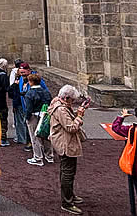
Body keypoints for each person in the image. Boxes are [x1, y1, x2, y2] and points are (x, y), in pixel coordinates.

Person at [48, 84, 87, 214]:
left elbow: (69, 118)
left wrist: (79, 111)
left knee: (68, 171)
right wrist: (80, 116)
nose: (73, 102)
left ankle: (69, 195)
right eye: (72, 100)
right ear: (66, 98)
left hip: (63, 142)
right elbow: (70, 127)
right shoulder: (61, 109)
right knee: (67, 173)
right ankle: (67, 202)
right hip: (65, 143)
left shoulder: (60, 104)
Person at [24, 72, 53, 168]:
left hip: (34, 116)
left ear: (31, 82)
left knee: (34, 137)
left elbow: (29, 108)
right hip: (45, 115)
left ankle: (38, 157)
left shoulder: (29, 93)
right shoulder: (46, 92)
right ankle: (49, 156)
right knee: (46, 135)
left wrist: (27, 118)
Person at [8, 63, 31, 148]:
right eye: (21, 73)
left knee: (23, 122)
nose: (22, 75)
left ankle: (24, 139)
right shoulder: (21, 79)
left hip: (28, 106)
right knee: (24, 122)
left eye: (24, 72)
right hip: (21, 104)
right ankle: (26, 139)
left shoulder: (33, 79)